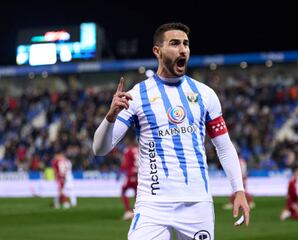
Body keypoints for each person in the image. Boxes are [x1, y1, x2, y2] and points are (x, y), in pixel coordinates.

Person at [93, 22, 250, 239]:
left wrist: (239, 190)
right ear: (157, 51)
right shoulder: (137, 96)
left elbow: (224, 147)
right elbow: (99, 149)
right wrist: (110, 117)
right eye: (175, 43)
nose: (182, 49)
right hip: (153, 204)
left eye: (186, 44)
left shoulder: (205, 94)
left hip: (197, 204)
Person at [118, 131, 139, 220]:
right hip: (138, 175)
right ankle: (137, 211)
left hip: (130, 175)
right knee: (137, 194)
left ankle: (128, 212)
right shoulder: (139, 149)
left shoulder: (128, 150)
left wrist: (120, 172)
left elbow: (125, 163)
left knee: (123, 192)